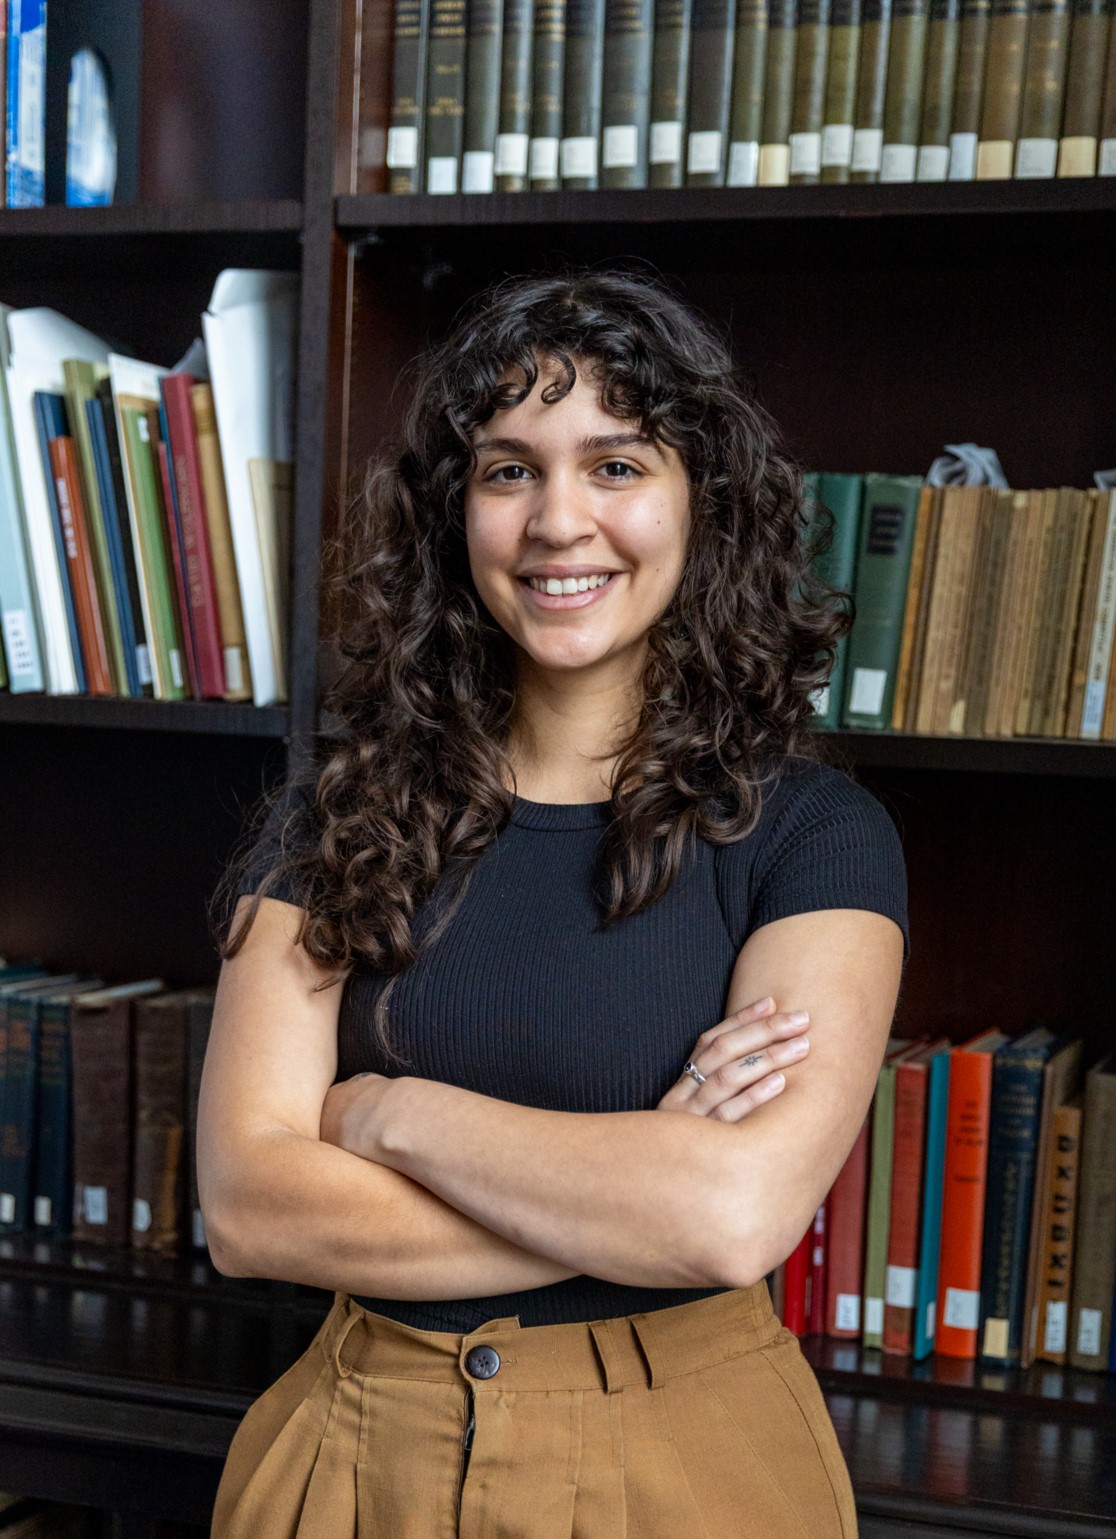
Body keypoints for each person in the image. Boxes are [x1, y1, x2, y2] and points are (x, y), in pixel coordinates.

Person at [198, 268, 908, 1539]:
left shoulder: (814, 838)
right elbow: (250, 1209)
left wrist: (387, 1116)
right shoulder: (335, 819)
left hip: (689, 1463)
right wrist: (632, 1190)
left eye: (620, 465)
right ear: (454, 512)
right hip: (357, 1454)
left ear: (707, 505)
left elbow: (729, 1216)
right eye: (509, 469)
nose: (558, 520)